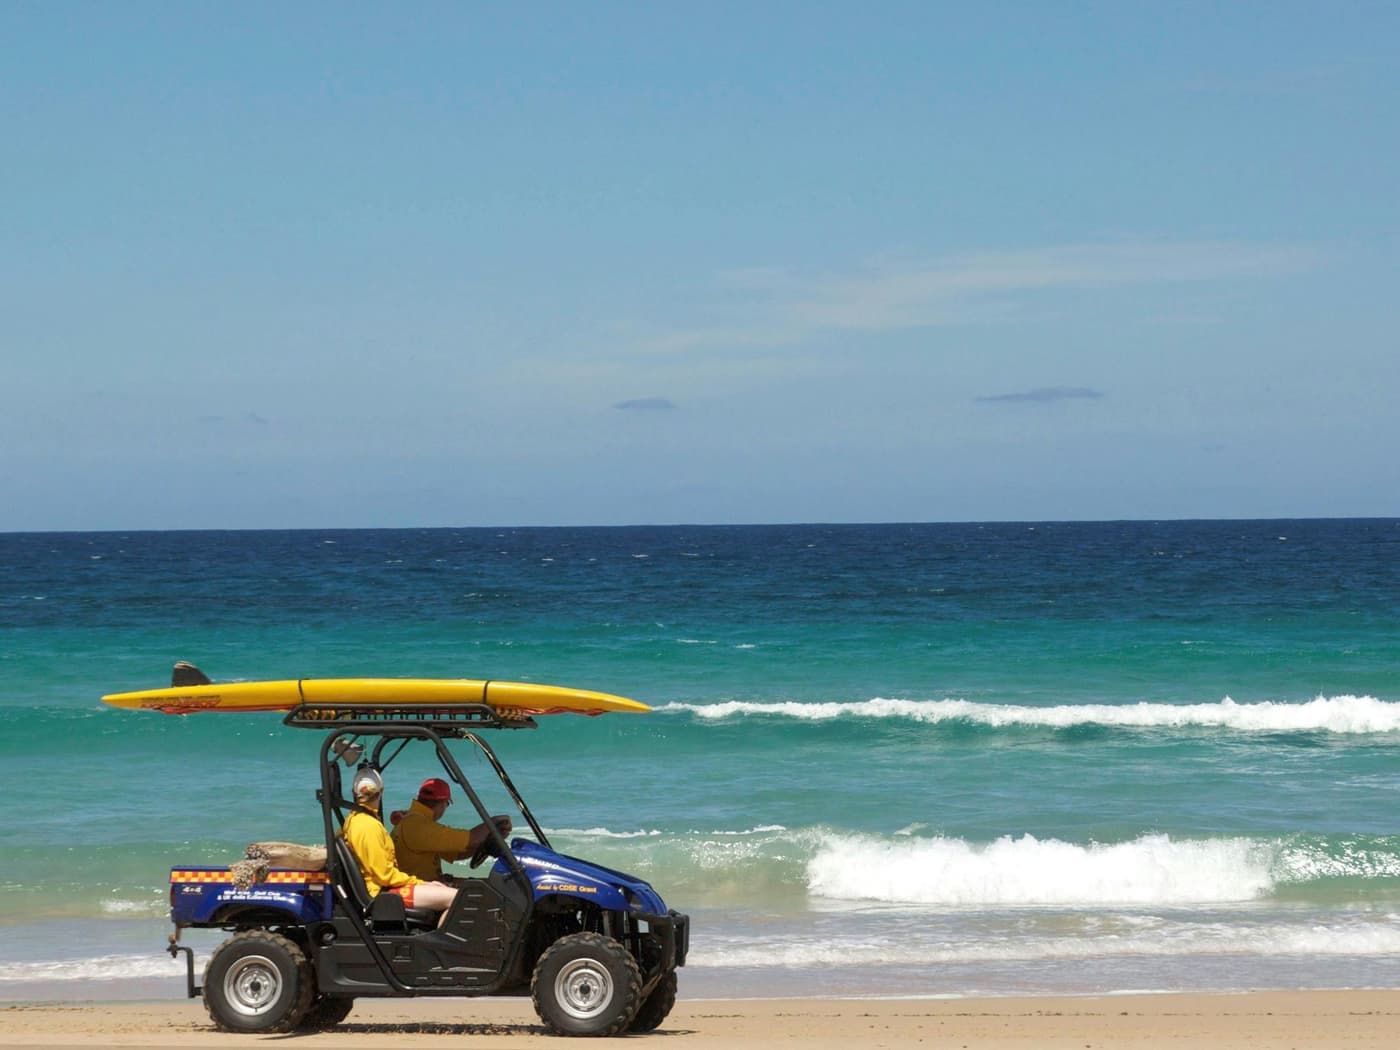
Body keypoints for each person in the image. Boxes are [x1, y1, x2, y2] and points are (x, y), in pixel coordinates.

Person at [341, 768, 458, 926]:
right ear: (381, 792)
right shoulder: (369, 826)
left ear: (354, 794)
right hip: (383, 893)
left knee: (443, 889)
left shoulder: (353, 820)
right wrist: (420, 883)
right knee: (457, 898)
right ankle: (444, 948)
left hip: (380, 887)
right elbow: (384, 876)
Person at [391, 776, 513, 882]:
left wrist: (484, 844)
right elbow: (472, 839)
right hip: (419, 887)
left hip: (427, 884)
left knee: (483, 886)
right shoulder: (418, 824)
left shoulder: (414, 821)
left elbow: (458, 854)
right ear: (443, 803)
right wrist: (494, 822)